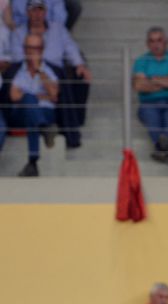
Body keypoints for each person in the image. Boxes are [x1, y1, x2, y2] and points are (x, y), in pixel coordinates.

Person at [10, 0, 88, 149]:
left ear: (45, 12)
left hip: (53, 71)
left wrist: (79, 64)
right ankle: (44, 128)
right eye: (33, 10)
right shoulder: (19, 33)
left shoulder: (58, 29)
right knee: (27, 100)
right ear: (27, 13)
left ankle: (68, 130)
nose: (37, 14)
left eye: (40, 10)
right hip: (26, 67)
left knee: (76, 79)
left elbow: (70, 48)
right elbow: (16, 62)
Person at [7, 33, 59, 177]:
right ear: (24, 50)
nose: (31, 51)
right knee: (30, 102)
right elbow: (13, 96)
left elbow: (54, 95)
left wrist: (40, 71)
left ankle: (33, 163)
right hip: (22, 114)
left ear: (41, 50)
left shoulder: (48, 70)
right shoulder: (19, 71)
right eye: (28, 48)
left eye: (35, 48)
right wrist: (38, 96)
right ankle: (43, 128)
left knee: (31, 111)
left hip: (44, 113)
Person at [132, 27, 168, 163]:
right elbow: (138, 85)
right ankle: (165, 147)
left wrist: (153, 80)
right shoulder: (141, 61)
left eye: (159, 40)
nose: (156, 44)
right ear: (147, 43)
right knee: (150, 114)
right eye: (152, 41)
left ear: (166, 41)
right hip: (148, 104)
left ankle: (161, 148)